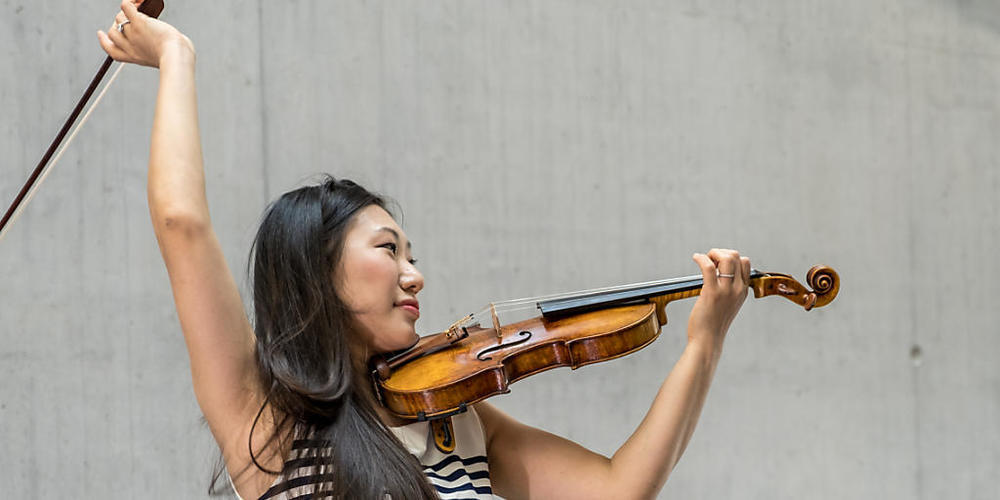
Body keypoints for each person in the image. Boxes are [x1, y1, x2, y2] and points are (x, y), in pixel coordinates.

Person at [98, 1, 753, 498]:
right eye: (389, 250)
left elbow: (616, 489)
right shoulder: (266, 421)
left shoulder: (458, 415)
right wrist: (176, 57)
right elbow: (183, 223)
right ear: (317, 273)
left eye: (411, 255)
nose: (416, 276)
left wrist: (705, 341)